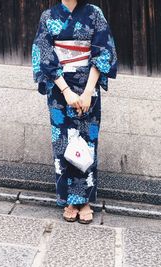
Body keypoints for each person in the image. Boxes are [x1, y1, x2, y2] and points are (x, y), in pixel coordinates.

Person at [31, 0, 117, 224]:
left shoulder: (94, 13)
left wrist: (88, 91)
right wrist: (66, 91)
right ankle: (69, 200)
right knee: (63, 144)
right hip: (60, 90)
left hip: (88, 86)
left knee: (88, 142)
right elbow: (45, 55)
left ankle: (85, 201)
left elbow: (103, 51)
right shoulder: (48, 17)